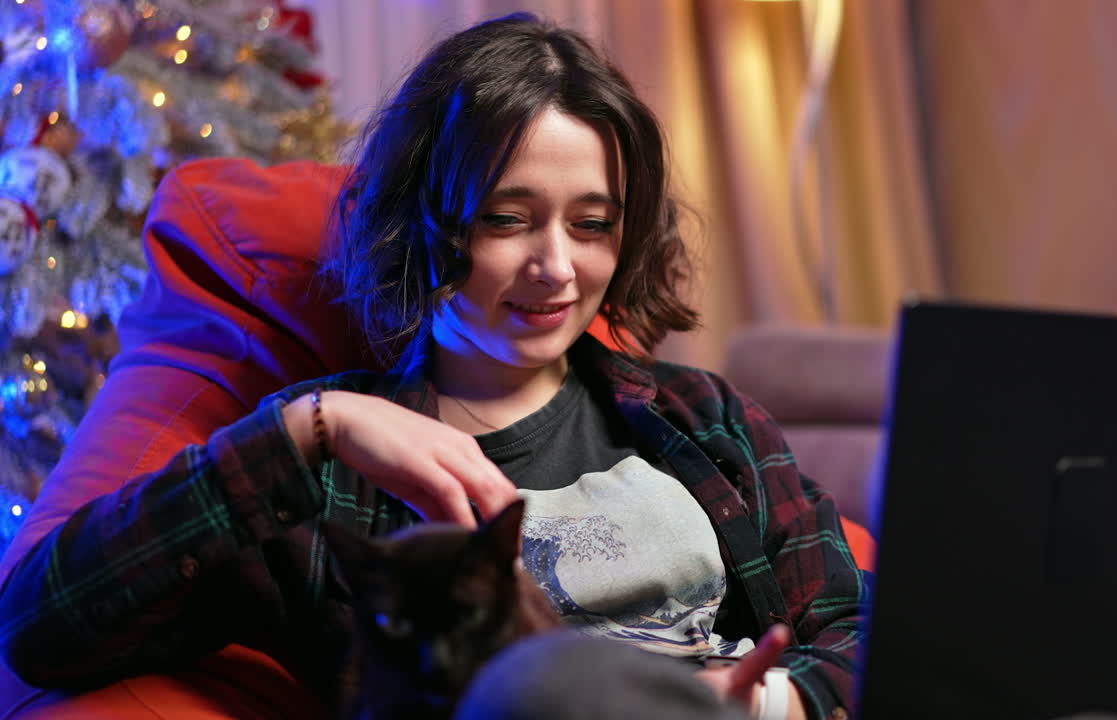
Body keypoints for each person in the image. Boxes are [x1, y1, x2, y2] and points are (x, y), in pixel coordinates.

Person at [0, 13, 865, 720]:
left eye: (592, 224)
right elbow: (45, 627)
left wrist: (769, 706)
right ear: (423, 221)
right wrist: (311, 431)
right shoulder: (330, 474)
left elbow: (858, 629)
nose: (557, 268)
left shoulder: (700, 417)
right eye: (507, 220)